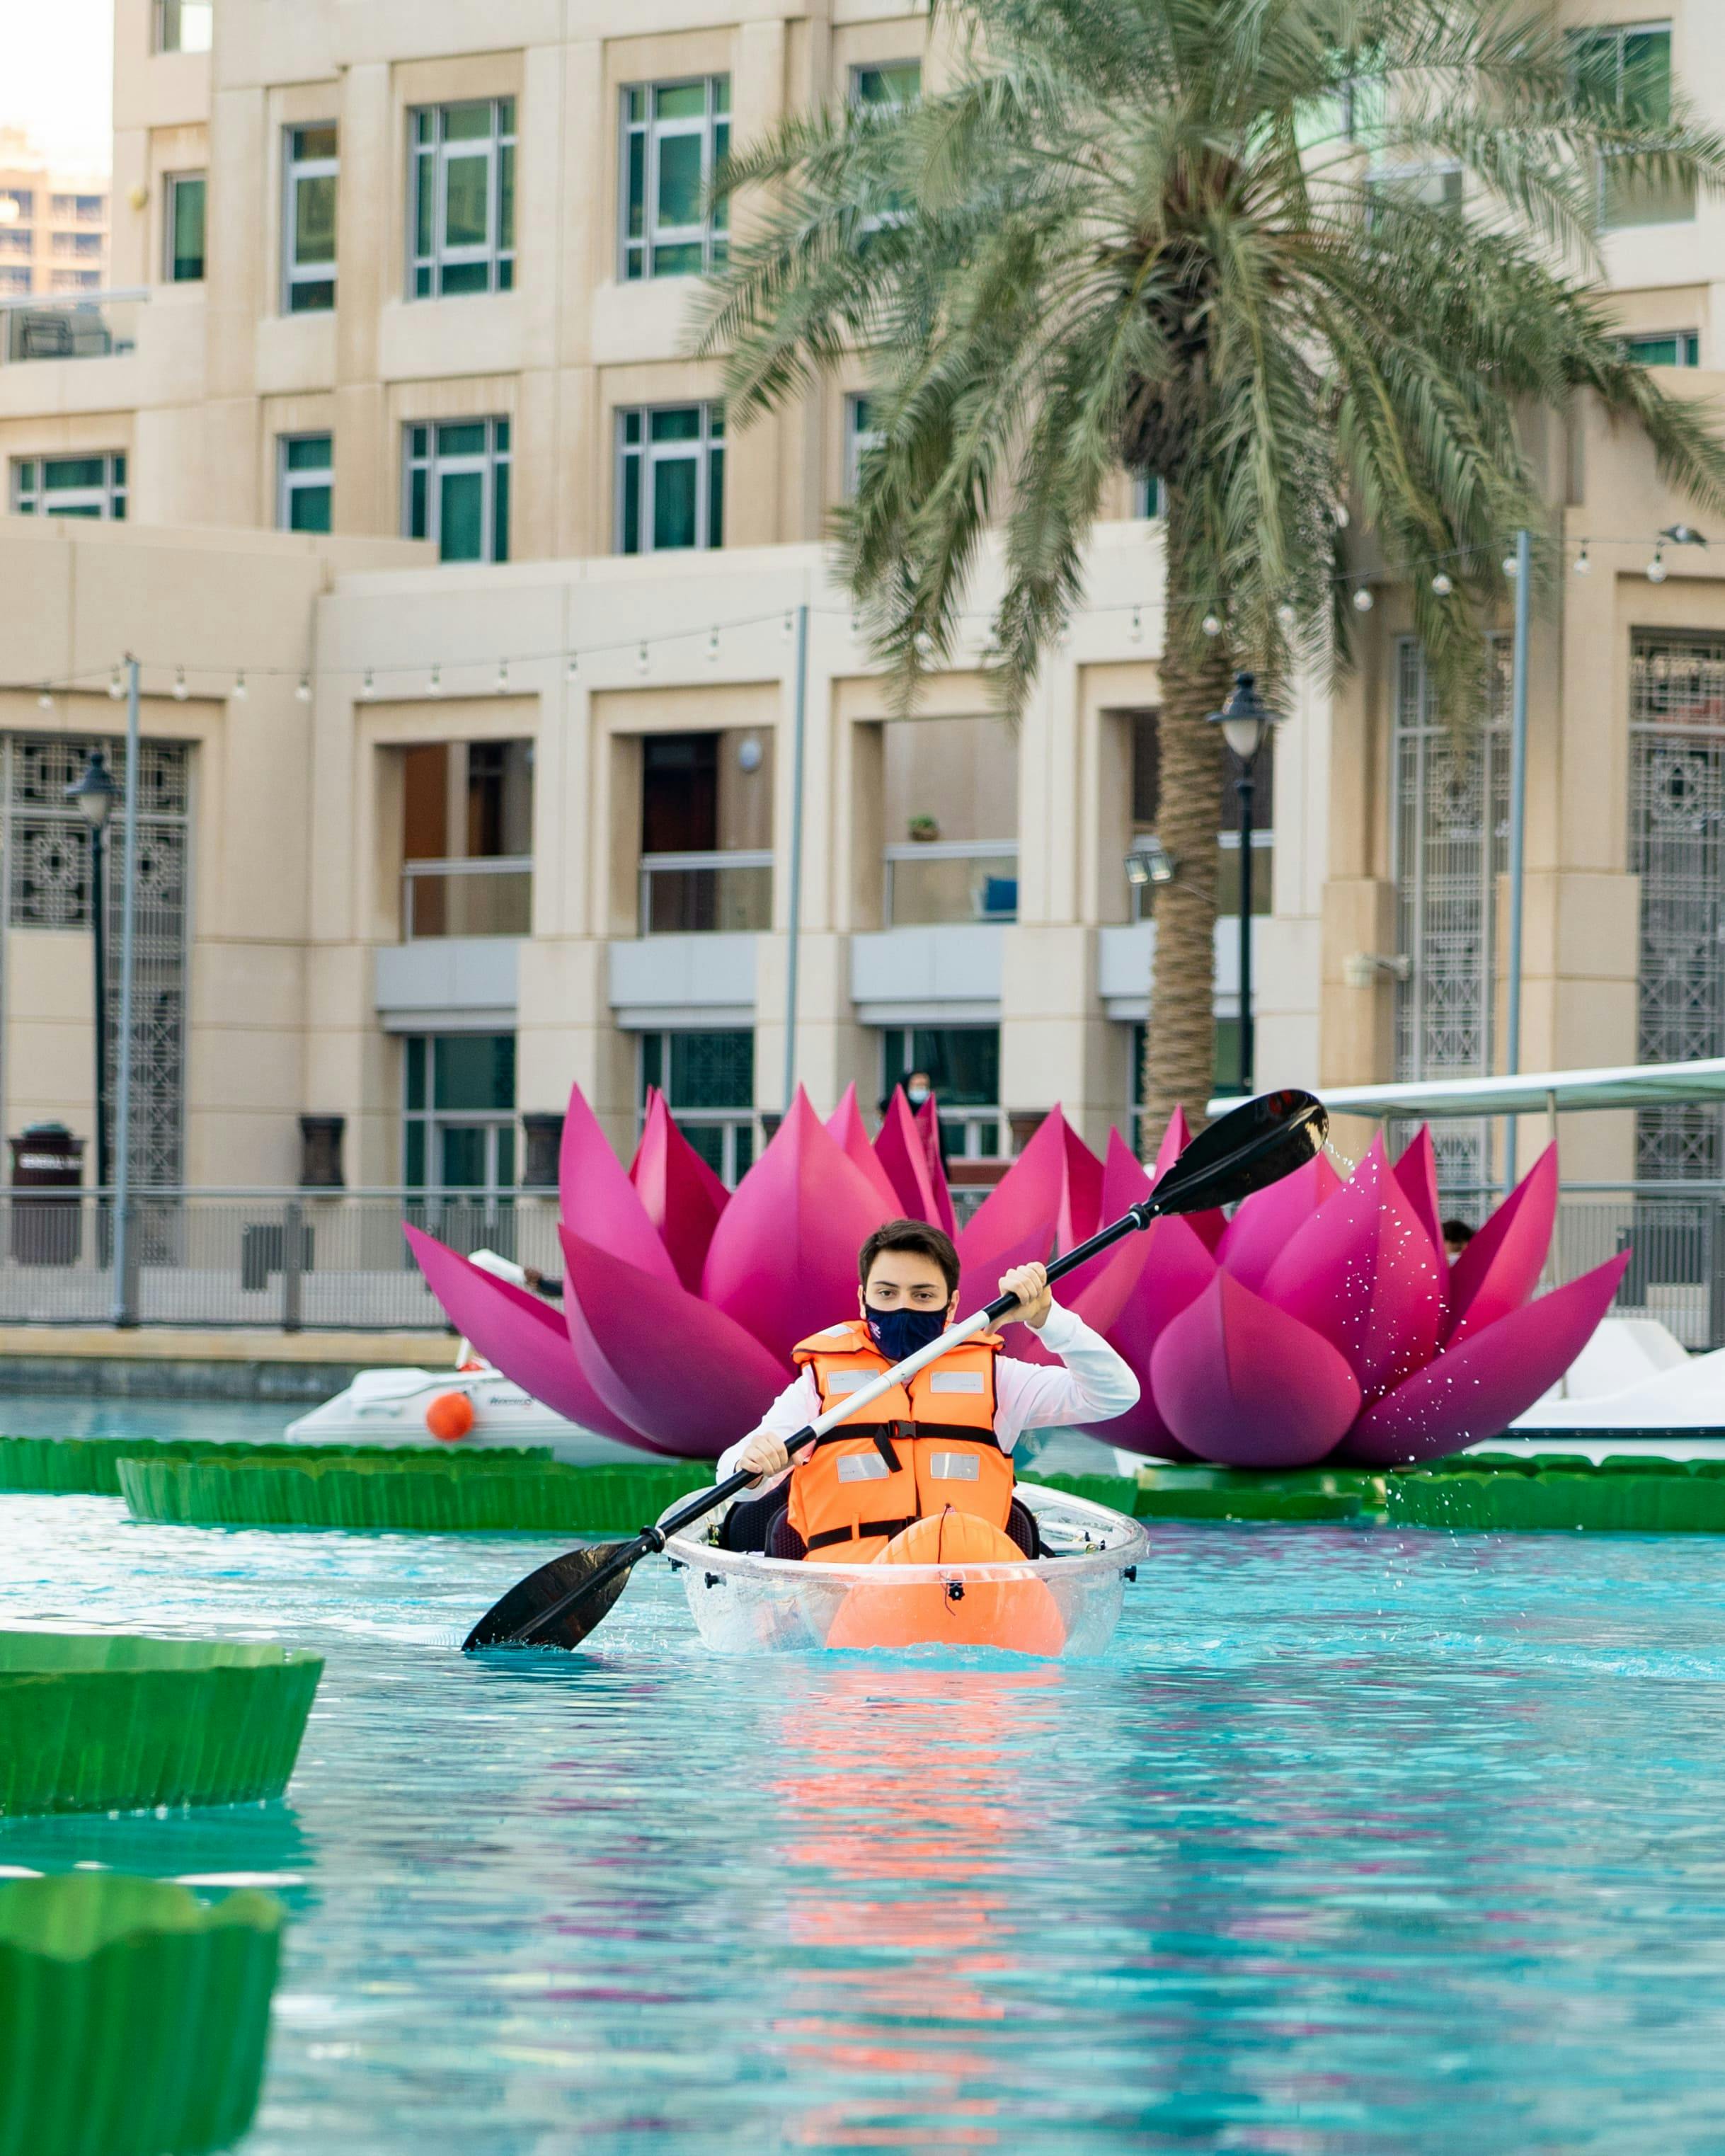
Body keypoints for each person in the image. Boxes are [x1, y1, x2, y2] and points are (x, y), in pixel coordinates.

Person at [716, 1217, 1140, 1561]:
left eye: (923, 1295)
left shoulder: (999, 1379)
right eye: (887, 1293)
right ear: (864, 1301)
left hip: (971, 1591)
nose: (904, 1306)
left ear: (951, 1306)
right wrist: (753, 1464)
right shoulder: (818, 1384)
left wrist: (1048, 1316)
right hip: (846, 1595)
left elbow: (1116, 1394)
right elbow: (733, 1468)